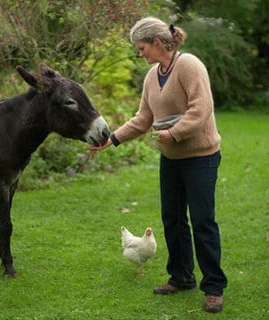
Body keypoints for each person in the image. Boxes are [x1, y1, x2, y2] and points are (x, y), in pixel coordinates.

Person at [88, 17, 227, 313]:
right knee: (172, 220)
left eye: (142, 47)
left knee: (203, 221)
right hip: (172, 159)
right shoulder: (152, 76)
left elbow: (201, 109)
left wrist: (173, 133)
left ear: (158, 43)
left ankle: (214, 287)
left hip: (201, 157)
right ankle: (181, 277)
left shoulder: (189, 66)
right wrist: (112, 139)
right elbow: (143, 118)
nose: (140, 54)